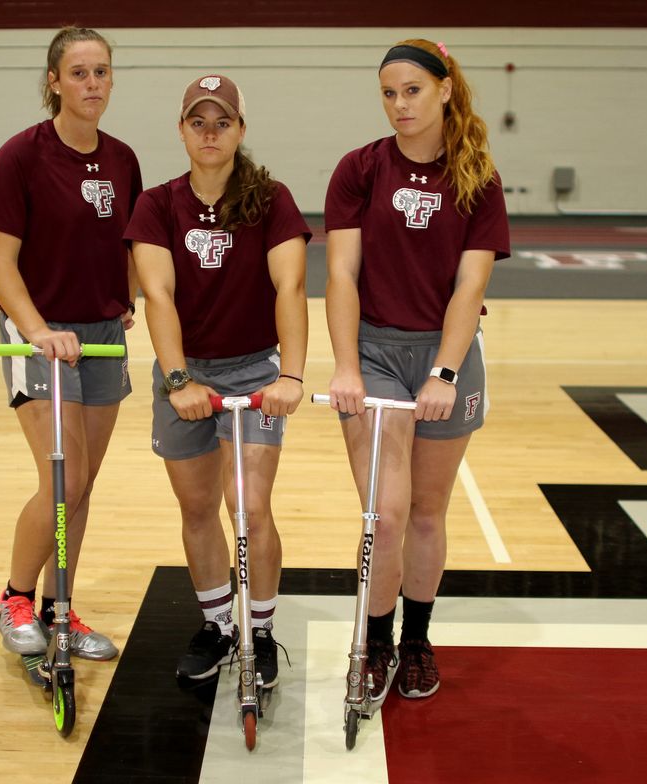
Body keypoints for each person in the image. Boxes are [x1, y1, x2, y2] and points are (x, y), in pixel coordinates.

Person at [324, 39, 510, 706]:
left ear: (444, 89)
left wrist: (445, 373)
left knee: (428, 514)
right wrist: (347, 366)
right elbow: (341, 275)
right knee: (385, 514)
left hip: (445, 357)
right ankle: (374, 642)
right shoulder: (360, 169)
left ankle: (416, 641)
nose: (399, 104)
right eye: (388, 93)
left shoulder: (478, 178)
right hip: (375, 352)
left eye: (412, 90)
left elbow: (470, 287)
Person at [126, 74, 310, 688]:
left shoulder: (271, 199)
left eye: (222, 122)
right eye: (198, 122)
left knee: (250, 510)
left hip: (253, 369)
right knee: (199, 508)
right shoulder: (157, 205)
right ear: (181, 130)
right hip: (186, 374)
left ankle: (260, 630)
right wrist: (179, 379)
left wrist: (290, 374)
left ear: (240, 130)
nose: (210, 133)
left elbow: (290, 287)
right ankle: (218, 625)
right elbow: (157, 295)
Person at [0, 26, 141, 663]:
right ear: (54, 81)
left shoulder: (122, 159)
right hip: (39, 334)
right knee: (63, 479)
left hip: (100, 338)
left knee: (84, 482)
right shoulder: (22, 156)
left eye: (101, 72)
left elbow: (128, 244)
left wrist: (125, 299)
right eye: (78, 73)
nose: (92, 84)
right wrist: (38, 330)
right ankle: (15, 598)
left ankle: (57, 609)